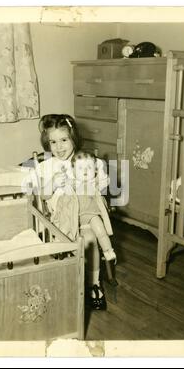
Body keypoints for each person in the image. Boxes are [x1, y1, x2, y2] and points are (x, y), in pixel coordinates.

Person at [36, 114, 115, 310]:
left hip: (85, 217)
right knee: (66, 246)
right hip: (61, 219)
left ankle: (94, 284)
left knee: (89, 240)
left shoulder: (86, 160)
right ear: (47, 143)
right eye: (53, 142)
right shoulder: (47, 166)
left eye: (64, 140)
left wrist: (97, 178)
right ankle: (67, 283)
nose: (59, 147)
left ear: (73, 138)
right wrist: (52, 183)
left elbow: (104, 185)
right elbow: (43, 196)